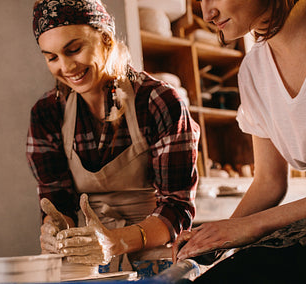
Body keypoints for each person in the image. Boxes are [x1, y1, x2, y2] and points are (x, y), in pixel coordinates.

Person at [26, 0, 200, 273]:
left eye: (74, 49)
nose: (66, 66)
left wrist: (114, 240)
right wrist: (57, 228)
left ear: (106, 39)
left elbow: (177, 208)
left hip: (157, 255)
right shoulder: (48, 114)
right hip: (90, 262)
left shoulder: (159, 101)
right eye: (52, 57)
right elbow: (60, 202)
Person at [173, 0, 306, 282]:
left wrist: (251, 226)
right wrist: (219, 235)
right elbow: (269, 183)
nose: (207, 13)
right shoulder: (253, 71)